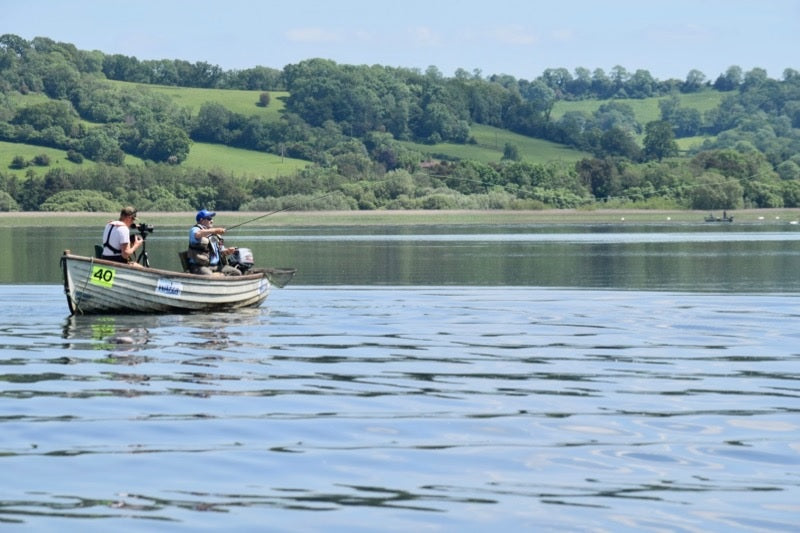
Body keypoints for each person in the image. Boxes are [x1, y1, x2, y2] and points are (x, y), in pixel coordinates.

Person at [187, 209, 241, 276]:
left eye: (212, 218)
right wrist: (215, 230)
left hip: (216, 266)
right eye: (209, 218)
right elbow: (198, 234)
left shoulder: (214, 235)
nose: (212, 221)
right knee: (210, 276)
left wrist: (228, 251)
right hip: (199, 266)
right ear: (201, 220)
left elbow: (221, 251)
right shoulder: (195, 229)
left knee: (237, 273)